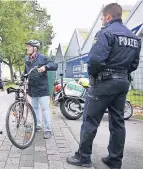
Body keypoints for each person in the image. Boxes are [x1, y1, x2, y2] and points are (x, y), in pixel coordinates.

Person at [67, 3, 141, 169]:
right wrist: (121, 73)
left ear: (108, 16)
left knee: (90, 120)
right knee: (117, 122)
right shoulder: (134, 38)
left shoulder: (105, 33)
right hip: (122, 83)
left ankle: (83, 157)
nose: (101, 21)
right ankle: (115, 160)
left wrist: (94, 76)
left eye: (102, 18)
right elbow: (134, 64)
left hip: (103, 83)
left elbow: (94, 61)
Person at [24, 40, 58, 139]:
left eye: (29, 46)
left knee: (45, 109)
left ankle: (48, 129)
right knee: (35, 109)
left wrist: (46, 67)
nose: (27, 48)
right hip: (32, 89)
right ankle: (38, 125)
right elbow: (26, 73)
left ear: (35, 48)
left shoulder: (43, 58)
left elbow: (55, 65)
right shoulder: (27, 59)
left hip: (42, 89)